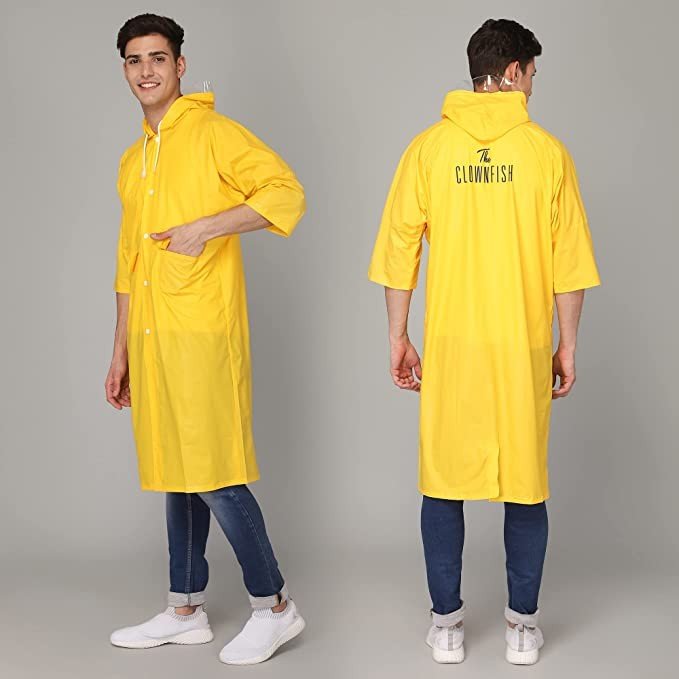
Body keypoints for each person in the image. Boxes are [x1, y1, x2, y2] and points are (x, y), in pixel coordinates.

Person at [368, 18, 600, 665]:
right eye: (532, 75)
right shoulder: (547, 153)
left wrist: (398, 336)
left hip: (451, 346)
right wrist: (566, 345)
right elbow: (569, 264)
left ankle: (446, 625)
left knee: (442, 481)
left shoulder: (427, 149)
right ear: (514, 72)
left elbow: (397, 253)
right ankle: (522, 627)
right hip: (519, 345)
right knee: (525, 483)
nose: (533, 87)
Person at [104, 13, 306, 665]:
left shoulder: (214, 133)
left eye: (158, 58)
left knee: (215, 472)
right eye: (134, 60)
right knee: (178, 470)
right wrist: (120, 349)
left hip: (203, 332)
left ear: (180, 66)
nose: (146, 71)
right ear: (125, 69)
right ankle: (184, 608)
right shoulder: (134, 161)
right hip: (153, 335)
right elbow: (128, 264)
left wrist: (206, 227)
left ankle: (275, 605)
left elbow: (285, 192)